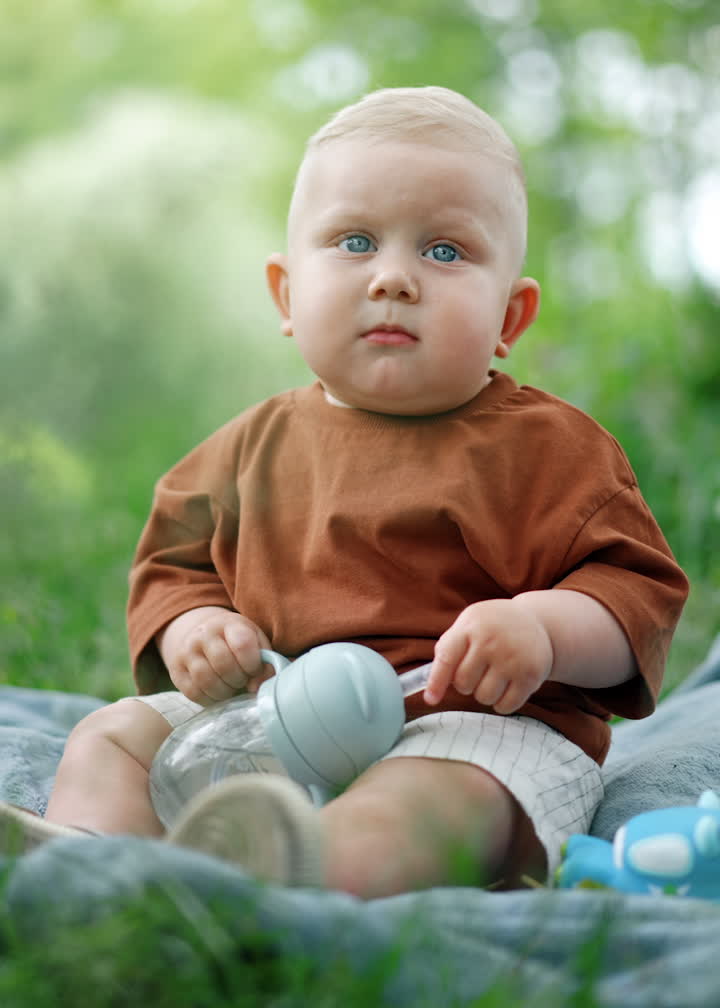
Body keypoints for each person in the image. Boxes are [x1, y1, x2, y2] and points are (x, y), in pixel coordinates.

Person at [0, 86, 688, 897]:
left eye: (444, 252)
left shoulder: (553, 450)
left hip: (466, 730)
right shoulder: (247, 450)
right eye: (356, 241)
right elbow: (176, 569)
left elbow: (635, 591)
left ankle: (290, 884)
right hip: (273, 708)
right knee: (110, 734)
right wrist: (199, 627)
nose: (394, 278)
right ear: (288, 296)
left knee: (422, 804)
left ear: (511, 315)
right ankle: (91, 868)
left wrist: (542, 628)